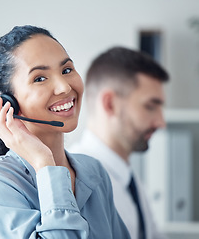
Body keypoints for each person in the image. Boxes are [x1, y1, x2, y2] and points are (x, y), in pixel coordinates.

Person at [0, 25, 130, 239]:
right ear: (7, 103)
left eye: (66, 70)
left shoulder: (93, 172)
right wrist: (44, 163)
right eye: (39, 78)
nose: (64, 87)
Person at [68, 46, 169, 239]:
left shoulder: (130, 180)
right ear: (110, 104)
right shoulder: (76, 183)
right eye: (150, 106)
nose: (161, 123)